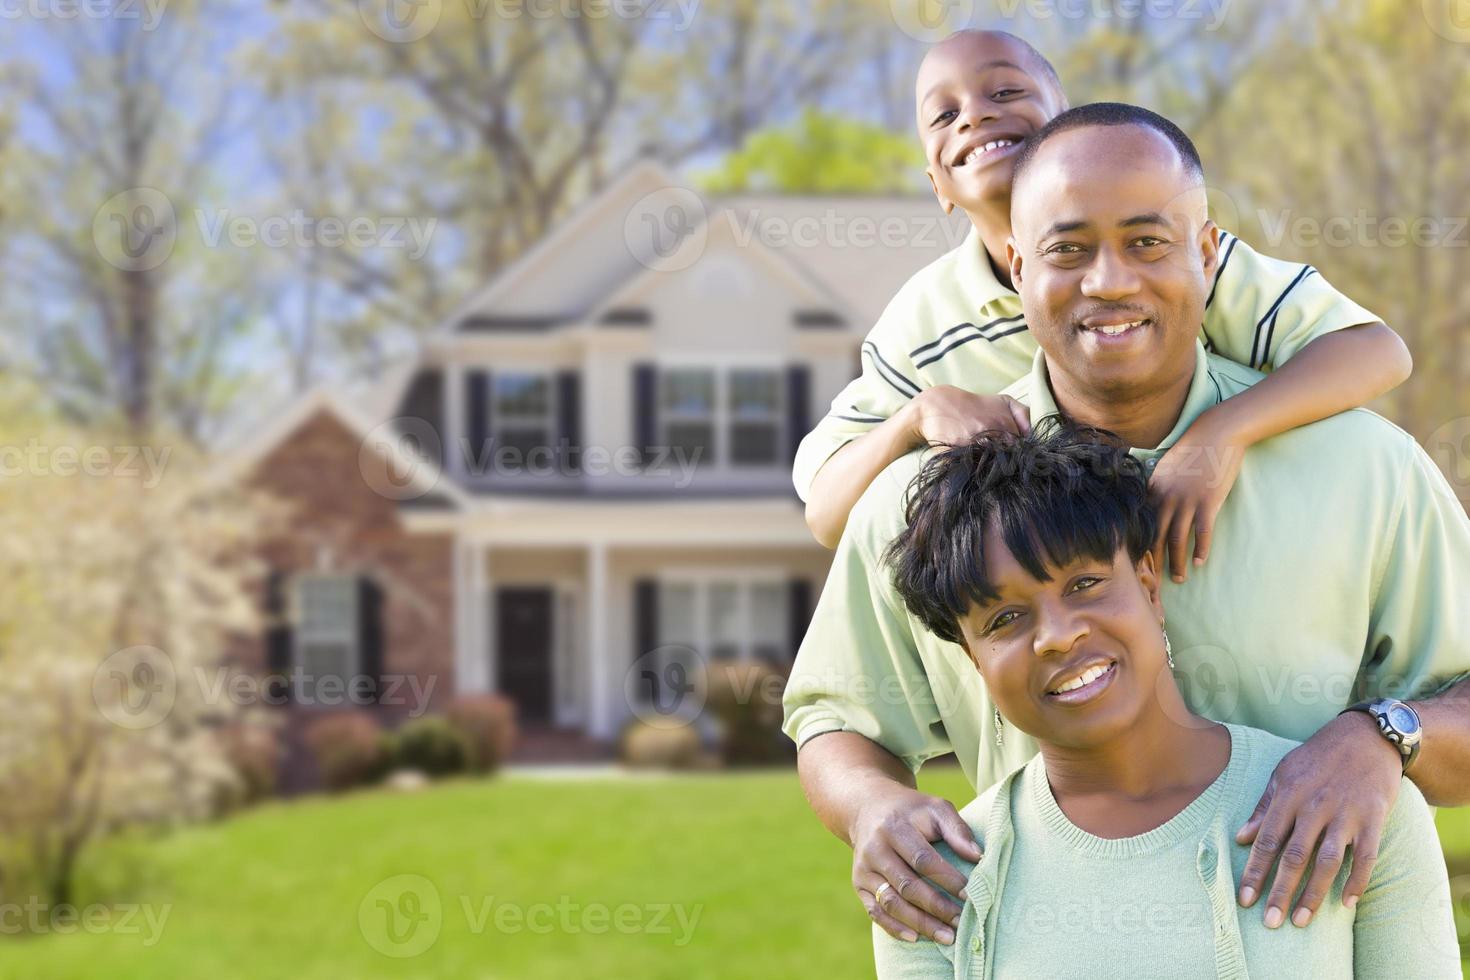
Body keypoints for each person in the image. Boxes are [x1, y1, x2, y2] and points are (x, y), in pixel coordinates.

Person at [782, 102, 1470, 950]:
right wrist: (872, 808)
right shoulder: (924, 505)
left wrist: (1383, 738)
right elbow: (837, 716)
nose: (1108, 281)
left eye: (1148, 242)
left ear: (1207, 253)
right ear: (1015, 263)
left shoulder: (1368, 469)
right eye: (1068, 250)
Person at [796, 30, 1412, 593]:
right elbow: (827, 513)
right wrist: (916, 417)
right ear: (937, 183)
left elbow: (1376, 351)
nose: (976, 114)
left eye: (1005, 90)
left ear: (1067, 127)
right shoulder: (924, 321)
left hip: (1223, 559)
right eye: (944, 114)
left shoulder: (1178, 260)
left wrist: (1222, 433)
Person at [871, 423, 1461, 978]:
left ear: (1149, 587)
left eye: (1083, 584)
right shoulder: (930, 880)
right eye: (1004, 618)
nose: (1057, 635)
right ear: (975, 660)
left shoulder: (1354, 809)